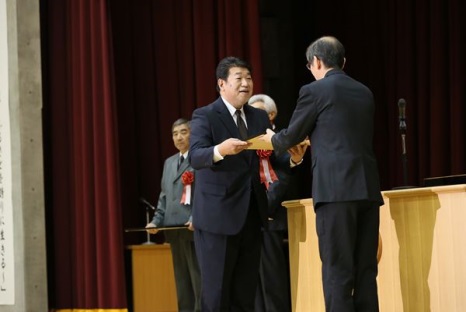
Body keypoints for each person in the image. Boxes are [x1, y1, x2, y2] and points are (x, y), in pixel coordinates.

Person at [261, 36, 384, 311]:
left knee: (337, 271)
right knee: (366, 270)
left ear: (316, 61)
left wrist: (272, 138)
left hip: (335, 191)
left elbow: (291, 135)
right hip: (367, 189)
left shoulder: (314, 91)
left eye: (310, 65)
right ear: (343, 61)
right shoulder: (364, 91)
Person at [188, 56, 304, 311]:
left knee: (245, 294)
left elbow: (272, 159)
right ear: (222, 83)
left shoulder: (259, 117)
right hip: (217, 219)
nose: (245, 83)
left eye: (248, 78)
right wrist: (221, 149)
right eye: (238, 78)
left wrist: (294, 159)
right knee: (216, 295)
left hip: (252, 216)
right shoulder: (204, 115)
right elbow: (195, 156)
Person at [249, 94, 306, 312]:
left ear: (271, 115)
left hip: (273, 220)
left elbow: (283, 175)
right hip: (249, 221)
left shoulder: (282, 139)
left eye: (258, 112)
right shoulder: (245, 141)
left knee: (273, 284)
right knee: (253, 286)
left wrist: (262, 207)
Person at [146, 118, 201, 312]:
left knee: (198, 281)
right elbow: (164, 197)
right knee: (182, 282)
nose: (179, 137)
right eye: (175, 133)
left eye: (183, 132)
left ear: (192, 134)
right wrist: (155, 221)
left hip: (192, 229)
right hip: (173, 229)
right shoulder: (169, 163)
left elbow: (203, 194)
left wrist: (196, 217)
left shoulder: (198, 159)